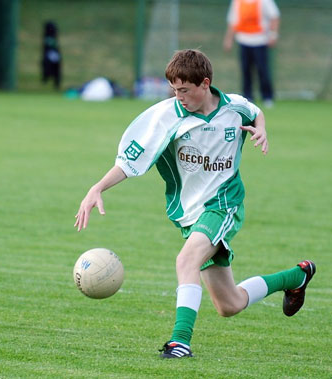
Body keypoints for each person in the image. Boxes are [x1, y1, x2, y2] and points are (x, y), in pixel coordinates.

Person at [74, 49, 316, 358]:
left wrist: (262, 129)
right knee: (230, 305)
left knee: (185, 261)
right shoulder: (169, 116)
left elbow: (254, 111)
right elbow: (133, 158)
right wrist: (98, 187)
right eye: (174, 90)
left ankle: (180, 342)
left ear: (205, 84)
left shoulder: (233, 108)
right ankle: (297, 277)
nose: (179, 97)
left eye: (185, 90)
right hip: (191, 214)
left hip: (223, 204)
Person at [223, 0, 280, 107]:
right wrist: (228, 39)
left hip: (260, 40)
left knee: (263, 70)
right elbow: (233, 21)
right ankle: (247, 96)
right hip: (243, 40)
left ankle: (267, 97)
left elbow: (274, 17)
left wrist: (273, 35)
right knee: (246, 70)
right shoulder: (237, 2)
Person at [41, 21, 61, 89]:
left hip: (53, 54)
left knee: (55, 69)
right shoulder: (48, 37)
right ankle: (46, 78)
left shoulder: (52, 36)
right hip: (50, 53)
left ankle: (55, 82)